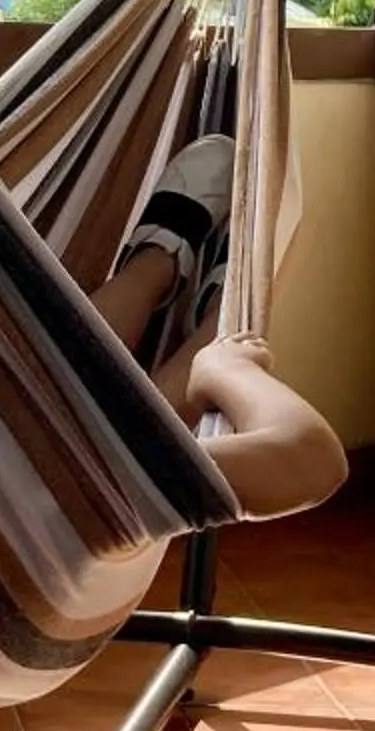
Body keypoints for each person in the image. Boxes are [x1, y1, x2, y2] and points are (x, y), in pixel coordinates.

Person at [90, 134, 348, 521]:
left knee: (21, 402)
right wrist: (229, 369)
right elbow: (313, 463)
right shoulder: (87, 490)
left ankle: (157, 267)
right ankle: (215, 323)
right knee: (104, 450)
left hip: (12, 461)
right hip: (88, 493)